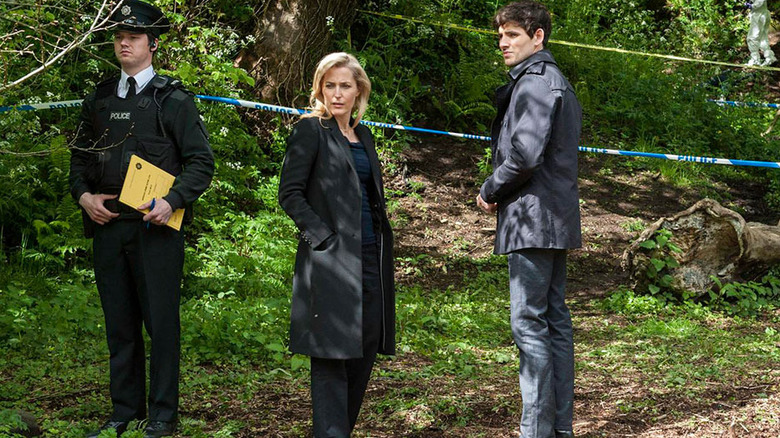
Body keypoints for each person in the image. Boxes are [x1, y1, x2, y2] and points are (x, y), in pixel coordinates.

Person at [69, 1, 214, 437]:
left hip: (155, 230)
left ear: (152, 43)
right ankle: (124, 410)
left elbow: (201, 163)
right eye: (118, 37)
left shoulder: (173, 99)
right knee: (120, 325)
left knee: (161, 325)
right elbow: (78, 161)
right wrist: (84, 197)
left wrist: (172, 200)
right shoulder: (98, 99)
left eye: (132, 36)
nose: (124, 43)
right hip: (109, 228)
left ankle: (163, 415)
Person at [475, 2, 581, 438]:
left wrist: (489, 189)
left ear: (538, 37)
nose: (503, 43)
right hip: (550, 219)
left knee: (530, 325)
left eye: (513, 35)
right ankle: (558, 430)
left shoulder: (536, 84)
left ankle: (536, 431)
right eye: (500, 36)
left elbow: (525, 156)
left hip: (532, 220)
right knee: (553, 322)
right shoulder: (556, 81)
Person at [278, 52, 395, 438]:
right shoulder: (310, 130)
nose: (337, 93)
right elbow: (290, 194)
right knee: (330, 356)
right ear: (319, 89)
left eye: (345, 85)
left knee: (364, 348)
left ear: (359, 89)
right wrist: (323, 238)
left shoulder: (364, 135)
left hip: (369, 257)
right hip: (329, 261)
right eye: (330, 85)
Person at [747, 0, 777, 66]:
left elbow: (759, 3)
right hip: (762, 14)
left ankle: (755, 59)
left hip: (759, 16)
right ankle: (769, 57)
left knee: (752, 37)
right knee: (763, 38)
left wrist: (751, 6)